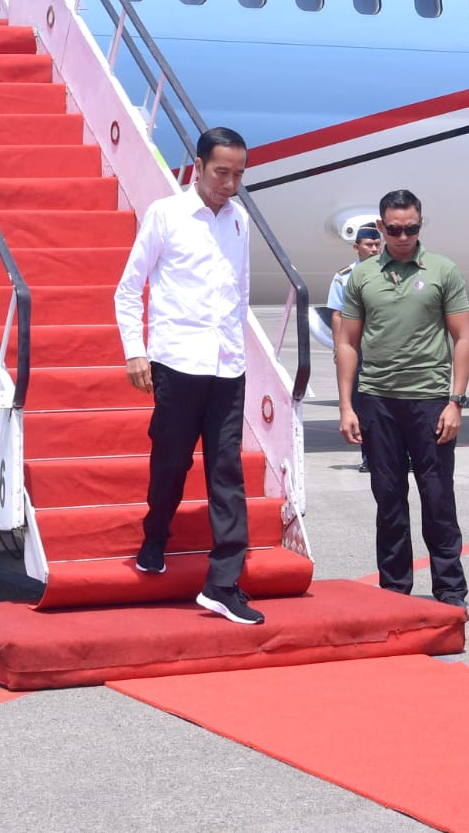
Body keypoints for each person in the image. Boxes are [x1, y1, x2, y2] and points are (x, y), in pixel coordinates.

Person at [114, 126, 264, 626]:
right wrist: (137, 352)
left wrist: (241, 354)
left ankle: (223, 582)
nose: (231, 183)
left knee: (227, 472)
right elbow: (129, 287)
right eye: (222, 172)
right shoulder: (166, 215)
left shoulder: (239, 221)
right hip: (176, 365)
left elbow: (239, 293)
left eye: (239, 174)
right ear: (196, 166)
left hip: (226, 367)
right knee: (171, 465)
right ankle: (156, 535)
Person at [336, 190, 469, 610]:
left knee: (437, 497)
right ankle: (395, 591)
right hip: (377, 400)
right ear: (380, 227)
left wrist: (456, 401)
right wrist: (346, 405)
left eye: (411, 228)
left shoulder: (442, 270)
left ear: (420, 224)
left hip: (430, 401)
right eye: (393, 229)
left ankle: (450, 592)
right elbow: (348, 344)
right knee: (388, 498)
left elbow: (463, 336)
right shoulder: (361, 277)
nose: (402, 236)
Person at [327, 225, 384, 473]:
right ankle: (369, 456)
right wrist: (340, 347)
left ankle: (405, 455)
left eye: (376, 244)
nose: (373, 249)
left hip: (387, 346)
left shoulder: (391, 270)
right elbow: (337, 314)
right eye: (368, 245)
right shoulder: (345, 276)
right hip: (359, 348)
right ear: (356, 247)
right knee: (363, 403)